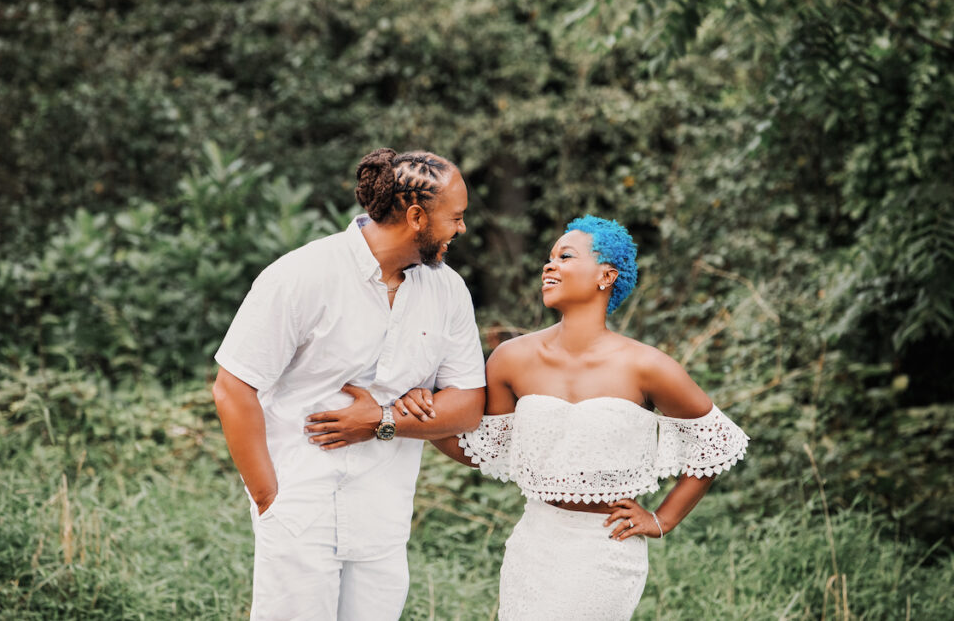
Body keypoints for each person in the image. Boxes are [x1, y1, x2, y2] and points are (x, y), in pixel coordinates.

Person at [427, 215, 749, 620]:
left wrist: (662, 518)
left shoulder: (647, 366)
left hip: (605, 549)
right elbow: (483, 446)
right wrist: (421, 420)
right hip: (535, 542)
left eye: (565, 256)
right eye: (548, 258)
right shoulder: (512, 358)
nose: (549, 265)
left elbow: (717, 441)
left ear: (606, 275)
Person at [211, 148, 486, 621]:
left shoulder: (448, 291)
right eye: (455, 218)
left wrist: (383, 420)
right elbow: (233, 388)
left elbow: (467, 406)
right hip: (300, 509)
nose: (461, 229)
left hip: (384, 515)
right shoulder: (301, 275)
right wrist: (268, 500)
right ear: (417, 217)